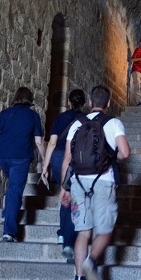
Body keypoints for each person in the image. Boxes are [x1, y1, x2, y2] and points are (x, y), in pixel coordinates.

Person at [60, 85, 131, 280]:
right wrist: (113, 157)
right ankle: (91, 261)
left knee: (83, 232)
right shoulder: (113, 123)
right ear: (108, 104)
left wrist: (64, 188)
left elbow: (67, 159)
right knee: (105, 229)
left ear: (90, 103)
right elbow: (125, 153)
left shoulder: (76, 124)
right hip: (103, 181)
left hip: (78, 182)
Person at [0, 87, 46, 242]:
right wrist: (44, 160)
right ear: (30, 99)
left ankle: (8, 211)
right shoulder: (33, 115)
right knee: (15, 190)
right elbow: (39, 142)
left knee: (13, 187)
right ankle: (9, 232)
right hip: (20, 157)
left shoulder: (5, 113)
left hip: (2, 156)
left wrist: (4, 148)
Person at [41, 88, 87, 260]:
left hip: (59, 156)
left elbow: (51, 144)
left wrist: (45, 166)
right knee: (73, 196)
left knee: (65, 194)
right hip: (77, 157)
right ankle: (68, 234)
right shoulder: (85, 119)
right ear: (84, 103)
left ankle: (63, 232)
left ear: (69, 101)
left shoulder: (60, 118)